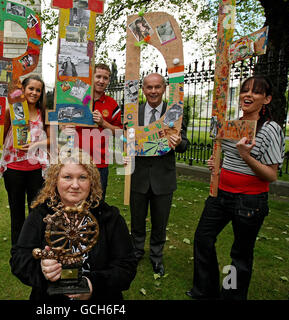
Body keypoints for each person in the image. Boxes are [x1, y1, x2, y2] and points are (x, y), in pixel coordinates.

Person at [187, 76, 285, 300]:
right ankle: (205, 290)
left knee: (240, 254)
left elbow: (271, 175)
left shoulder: (271, 130)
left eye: (256, 92)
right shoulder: (231, 125)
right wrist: (217, 165)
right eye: (245, 90)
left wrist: (246, 156)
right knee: (203, 238)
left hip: (249, 202)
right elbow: (226, 160)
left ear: (266, 99)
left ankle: (231, 295)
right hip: (220, 195)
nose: (248, 95)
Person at [10, 151, 137, 300]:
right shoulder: (40, 215)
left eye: (82, 177)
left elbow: (126, 266)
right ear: (55, 180)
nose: (75, 185)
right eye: (67, 177)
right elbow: (19, 259)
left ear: (92, 182)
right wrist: (42, 270)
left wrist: (93, 285)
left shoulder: (109, 217)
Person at [129, 73, 189, 276]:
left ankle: (156, 256)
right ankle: (136, 252)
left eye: (157, 87)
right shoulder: (133, 112)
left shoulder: (175, 112)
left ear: (164, 89)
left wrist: (178, 142)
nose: (153, 91)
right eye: (148, 87)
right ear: (143, 89)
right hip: (138, 177)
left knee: (160, 221)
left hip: (163, 178)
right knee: (137, 219)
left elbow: (184, 145)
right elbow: (126, 142)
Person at [0, 75, 49, 246]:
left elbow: (51, 139)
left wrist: (35, 144)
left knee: (36, 211)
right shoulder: (11, 111)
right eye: (31, 88)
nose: (35, 93)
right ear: (23, 90)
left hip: (36, 170)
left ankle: (35, 246)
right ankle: (18, 249)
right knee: (16, 212)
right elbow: (1, 133)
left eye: (38, 90)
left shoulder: (43, 113)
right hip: (13, 169)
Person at [74, 64, 122, 198]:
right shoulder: (78, 99)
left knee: (97, 204)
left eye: (105, 78)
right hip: (77, 161)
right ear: (92, 77)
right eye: (98, 77)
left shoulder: (112, 104)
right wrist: (64, 126)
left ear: (108, 81)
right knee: (75, 203)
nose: (101, 81)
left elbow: (119, 132)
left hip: (99, 163)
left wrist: (103, 123)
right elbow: (63, 121)